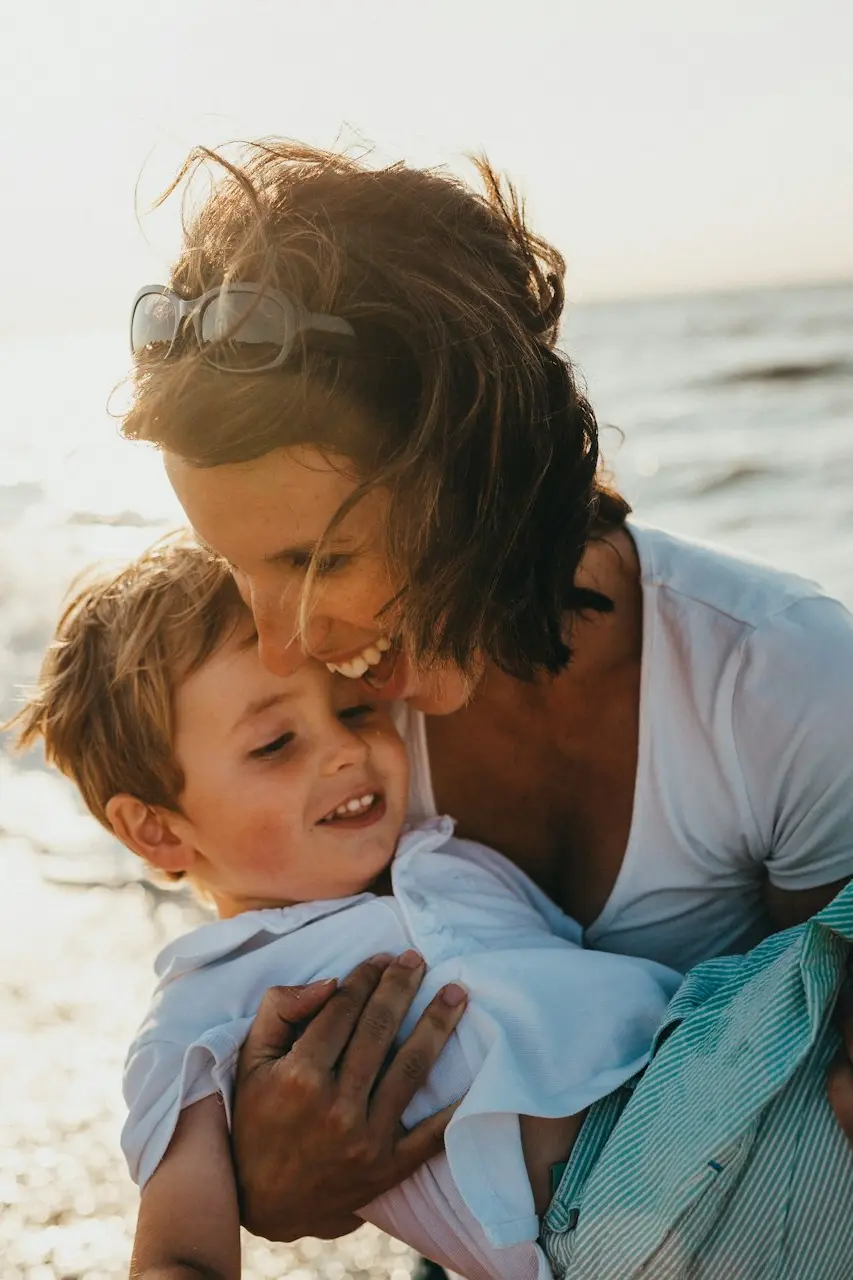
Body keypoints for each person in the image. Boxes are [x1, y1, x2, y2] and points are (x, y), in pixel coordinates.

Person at [120, 140, 853, 1252]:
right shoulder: (328, 735)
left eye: (319, 561)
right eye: (236, 567)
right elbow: (266, 1023)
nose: (281, 640)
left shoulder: (775, 679)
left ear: (480, 480)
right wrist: (270, 1180)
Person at [12, 537, 680, 1280]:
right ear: (157, 829)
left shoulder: (448, 854)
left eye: (357, 709)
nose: (345, 750)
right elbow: (179, 1257)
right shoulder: (203, 1012)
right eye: (275, 744)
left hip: (699, 1055)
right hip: (620, 1218)